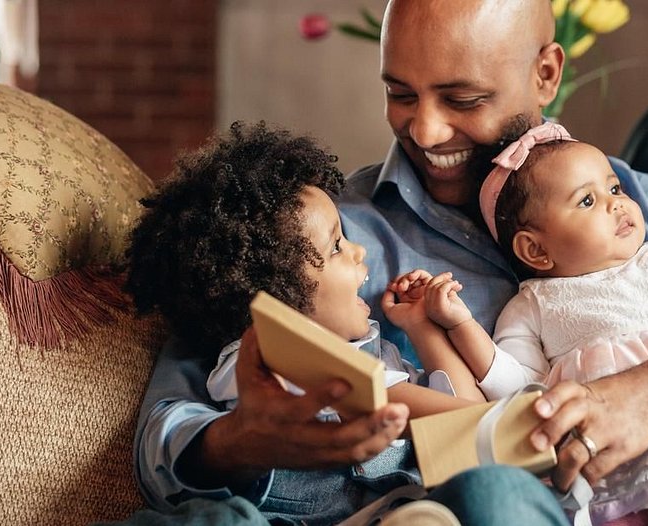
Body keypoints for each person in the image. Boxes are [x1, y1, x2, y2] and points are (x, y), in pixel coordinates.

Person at [133, 0, 648, 523]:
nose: (426, 131)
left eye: (463, 99)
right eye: (401, 93)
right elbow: (171, 423)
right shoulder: (317, 235)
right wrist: (237, 443)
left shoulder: (630, 199)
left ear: (546, 74)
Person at [126, 120, 562, 524]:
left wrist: (423, 329)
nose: (358, 252)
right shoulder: (258, 361)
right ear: (274, 296)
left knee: (487, 490)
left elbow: (459, 436)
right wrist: (513, 425)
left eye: (464, 98)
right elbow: (398, 403)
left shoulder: (378, 351)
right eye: (336, 246)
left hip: (395, 508)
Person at [389, 121, 648, 525]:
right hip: (609, 452)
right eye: (587, 201)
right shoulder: (531, 305)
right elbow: (517, 388)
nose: (616, 203)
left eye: (615, 189)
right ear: (534, 249)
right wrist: (461, 323)